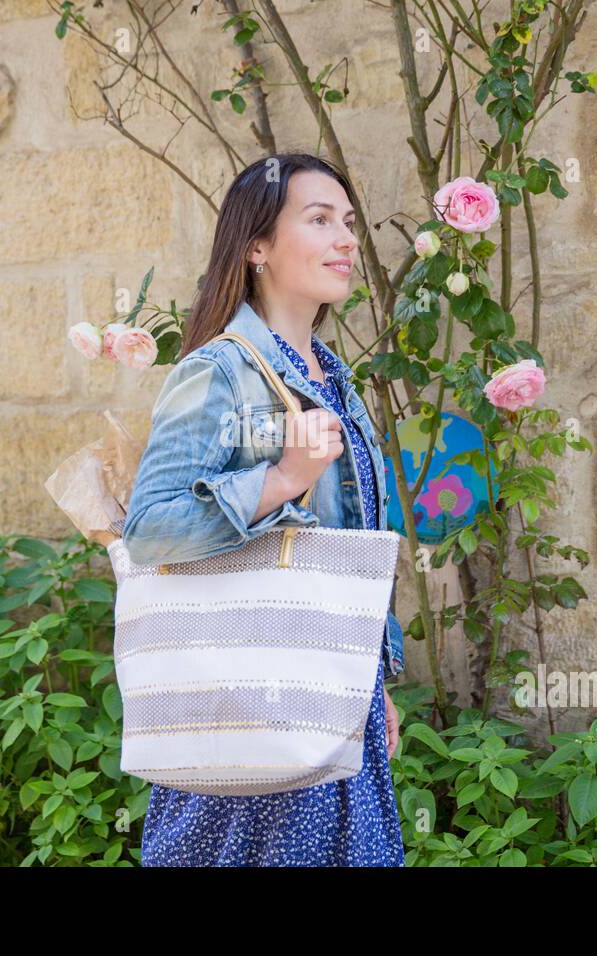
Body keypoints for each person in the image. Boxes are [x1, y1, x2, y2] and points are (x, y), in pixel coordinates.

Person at [120, 152, 406, 866]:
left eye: (348, 222)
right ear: (257, 247)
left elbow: (349, 545)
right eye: (318, 220)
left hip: (332, 703)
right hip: (248, 705)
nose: (346, 239)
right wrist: (280, 479)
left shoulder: (336, 380)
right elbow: (150, 527)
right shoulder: (217, 371)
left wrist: (372, 680)